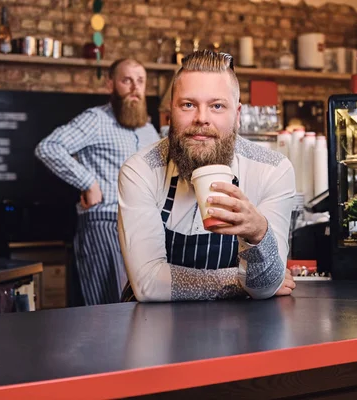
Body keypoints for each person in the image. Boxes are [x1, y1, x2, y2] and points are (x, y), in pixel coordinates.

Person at [117, 50, 297, 302]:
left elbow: (265, 287)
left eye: (217, 106)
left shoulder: (272, 170)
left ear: (237, 115)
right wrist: (236, 280)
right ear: (171, 111)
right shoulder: (141, 170)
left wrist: (258, 233)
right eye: (188, 105)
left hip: (240, 332)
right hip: (154, 331)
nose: (202, 118)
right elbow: (148, 285)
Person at [35, 58, 160, 305]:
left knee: (140, 306)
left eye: (140, 81)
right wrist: (88, 183)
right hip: (105, 222)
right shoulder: (96, 119)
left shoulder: (148, 129)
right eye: (127, 80)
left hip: (144, 228)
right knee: (111, 306)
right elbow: (48, 147)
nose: (135, 87)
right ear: (110, 85)